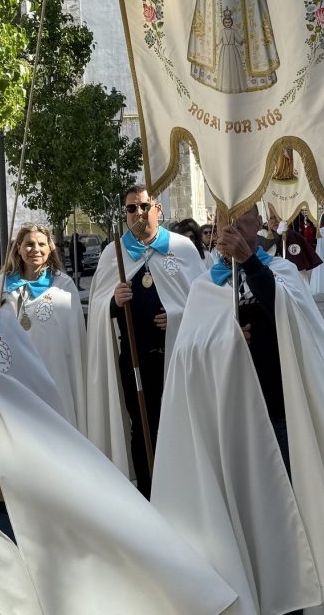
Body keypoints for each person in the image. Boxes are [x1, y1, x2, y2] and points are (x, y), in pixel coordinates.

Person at [0, 234, 238, 615]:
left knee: (27, 564)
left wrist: (3, 408)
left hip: (8, 477)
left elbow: (38, 396)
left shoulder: (0, 322)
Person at [152, 205, 324, 615]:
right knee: (249, 516)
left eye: (242, 218)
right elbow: (190, 356)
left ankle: (294, 600)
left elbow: (289, 316)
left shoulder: (279, 271)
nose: (233, 226)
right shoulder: (204, 287)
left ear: (258, 223)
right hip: (232, 422)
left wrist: (249, 263)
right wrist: (225, 338)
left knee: (288, 514)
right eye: (226, 219)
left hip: (280, 414)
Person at [86, 185, 203, 493]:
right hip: (135, 356)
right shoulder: (114, 253)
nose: (138, 213)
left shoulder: (182, 248)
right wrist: (114, 301)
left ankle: (182, 489)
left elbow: (202, 302)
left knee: (179, 422)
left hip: (176, 355)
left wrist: (177, 316)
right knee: (142, 425)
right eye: (131, 208)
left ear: (158, 209)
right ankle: (149, 492)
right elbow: (98, 307)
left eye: (144, 206)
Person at [0, 223, 87, 434]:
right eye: (29, 244)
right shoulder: (1, 286)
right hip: (17, 372)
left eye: (41, 244)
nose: (35, 249)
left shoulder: (63, 286)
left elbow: (74, 337)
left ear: (50, 248)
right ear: (18, 248)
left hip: (56, 372)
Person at [261, 206, 321, 284]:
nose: (275, 221)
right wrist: (278, 235)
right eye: (271, 218)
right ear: (267, 220)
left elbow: (300, 267)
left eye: (277, 217)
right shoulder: (262, 233)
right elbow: (262, 248)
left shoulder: (293, 235)